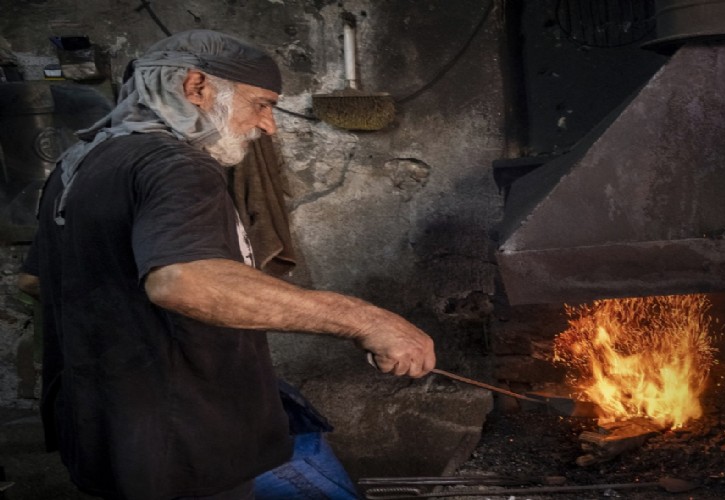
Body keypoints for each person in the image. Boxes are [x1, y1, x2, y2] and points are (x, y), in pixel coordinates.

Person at [17, 29, 436, 500]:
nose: (269, 125)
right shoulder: (176, 164)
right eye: (261, 103)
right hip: (184, 440)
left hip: (107, 432)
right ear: (196, 87)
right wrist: (369, 320)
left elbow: (36, 279)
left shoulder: (79, 163)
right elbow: (182, 282)